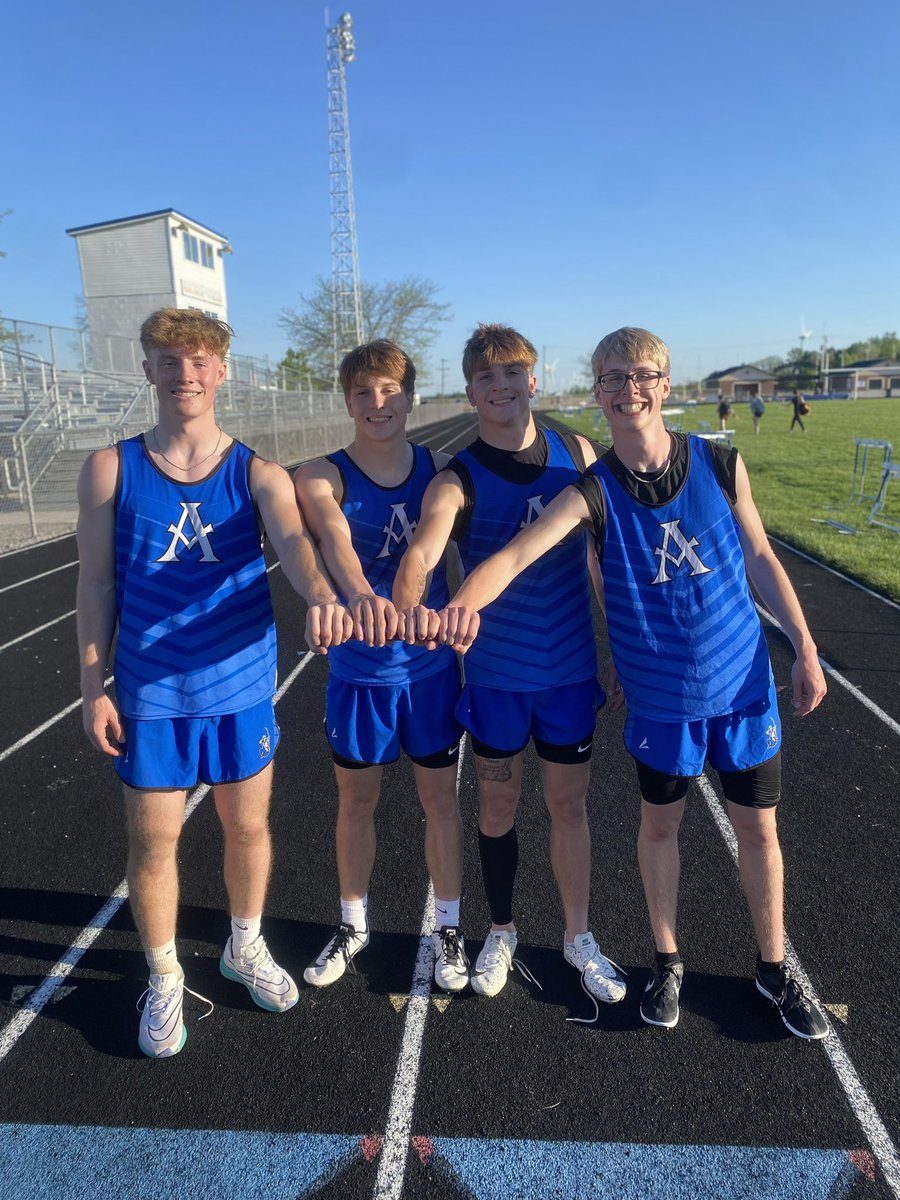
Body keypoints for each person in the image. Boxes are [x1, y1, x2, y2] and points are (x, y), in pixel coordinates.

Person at [436, 327, 830, 1041]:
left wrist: (804, 644)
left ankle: (774, 967)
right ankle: (668, 961)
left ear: (665, 385)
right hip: (661, 699)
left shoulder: (720, 462)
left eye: (641, 375)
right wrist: (463, 603)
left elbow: (763, 556)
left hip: (743, 686)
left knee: (758, 830)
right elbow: (519, 552)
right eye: (612, 378)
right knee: (660, 827)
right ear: (598, 392)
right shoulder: (593, 491)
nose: (628, 389)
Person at [76, 308, 354, 1058]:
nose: (186, 374)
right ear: (149, 371)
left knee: (248, 826)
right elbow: (96, 585)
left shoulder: (256, 472)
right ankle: (165, 976)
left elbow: (294, 541)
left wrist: (324, 598)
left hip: (237, 687)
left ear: (223, 371)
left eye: (200, 361)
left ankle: (243, 946)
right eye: (171, 361)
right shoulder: (111, 467)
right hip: (149, 695)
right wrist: (92, 684)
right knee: (154, 838)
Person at [394, 323, 625, 1014]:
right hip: (496, 677)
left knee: (569, 805)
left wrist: (619, 650)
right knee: (496, 803)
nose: (502, 386)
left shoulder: (578, 452)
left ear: (534, 379)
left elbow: (599, 561)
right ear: (472, 390)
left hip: (568, 672)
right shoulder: (457, 476)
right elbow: (422, 551)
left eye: (513, 372)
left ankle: (580, 937)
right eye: (487, 377)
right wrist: (410, 604)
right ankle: (501, 930)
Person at [293, 340, 468, 993]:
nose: (377, 403)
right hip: (361, 677)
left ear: (411, 395)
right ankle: (352, 922)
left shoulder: (447, 468)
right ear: (347, 401)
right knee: (356, 801)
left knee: (438, 801)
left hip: (428, 674)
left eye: (390, 389)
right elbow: (334, 540)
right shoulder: (323, 474)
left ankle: (448, 928)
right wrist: (362, 595)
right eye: (363, 392)